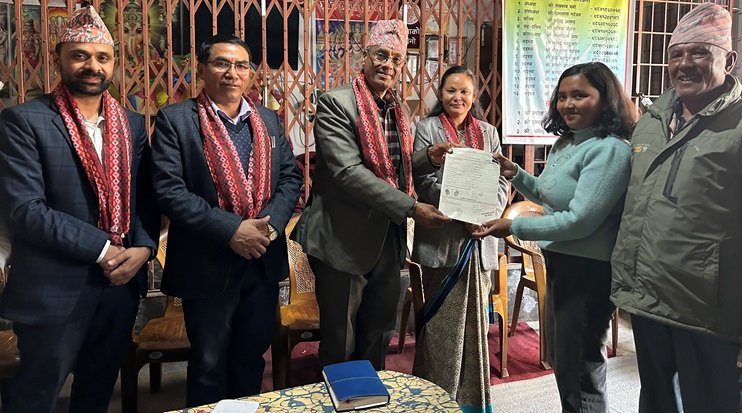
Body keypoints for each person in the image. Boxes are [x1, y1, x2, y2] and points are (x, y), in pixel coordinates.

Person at [0, 6, 159, 412]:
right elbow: (25, 209)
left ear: (114, 63)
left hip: (118, 286)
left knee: (97, 392)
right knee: (36, 395)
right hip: (53, 287)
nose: (92, 66)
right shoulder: (24, 121)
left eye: (102, 57)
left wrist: (143, 249)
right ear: (59, 59)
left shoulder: (132, 125)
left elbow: (144, 198)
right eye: (80, 56)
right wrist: (105, 250)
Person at [474, 62, 637, 413]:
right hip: (563, 264)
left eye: (580, 95)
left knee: (580, 370)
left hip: (589, 272)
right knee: (566, 363)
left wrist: (513, 227)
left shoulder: (610, 150)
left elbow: (579, 221)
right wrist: (515, 173)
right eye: (562, 96)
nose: (568, 104)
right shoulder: (567, 142)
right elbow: (549, 196)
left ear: (606, 98)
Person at [150, 34, 302, 406]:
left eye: (241, 65)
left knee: (251, 358)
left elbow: (290, 178)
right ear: (202, 69)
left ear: (250, 74)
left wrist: (268, 228)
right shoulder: (176, 120)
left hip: (261, 261)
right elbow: (169, 190)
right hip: (208, 262)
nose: (232, 73)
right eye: (221, 63)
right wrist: (232, 230)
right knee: (208, 364)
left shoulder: (268, 119)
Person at [292, 20, 450, 370]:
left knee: (379, 329)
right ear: (364, 56)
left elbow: (390, 166)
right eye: (381, 55)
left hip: (387, 238)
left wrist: (427, 157)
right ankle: (341, 396)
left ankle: (370, 394)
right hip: (342, 239)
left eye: (396, 59)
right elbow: (348, 172)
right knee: (342, 337)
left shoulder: (395, 107)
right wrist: (412, 208)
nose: (388, 65)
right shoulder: (337, 103)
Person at [611, 3, 742, 412]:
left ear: (729, 61)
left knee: (712, 403)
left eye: (699, 52)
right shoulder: (651, 120)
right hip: (647, 299)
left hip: (708, 311)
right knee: (655, 401)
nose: (684, 64)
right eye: (676, 54)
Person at [411, 65, 509, 412]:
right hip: (442, 243)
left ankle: (471, 403)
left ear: (474, 95)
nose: (458, 97)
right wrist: (465, 213)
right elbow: (423, 181)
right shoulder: (427, 129)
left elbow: (501, 181)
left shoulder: (489, 132)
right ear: (441, 94)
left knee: (475, 330)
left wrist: (484, 214)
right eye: (451, 90)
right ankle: (435, 401)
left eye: (464, 91)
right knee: (441, 329)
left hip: (478, 243)